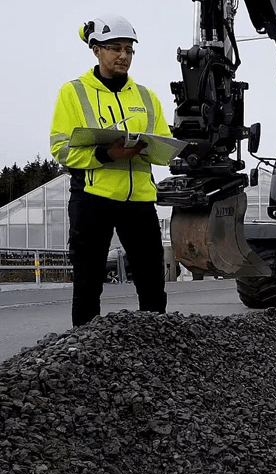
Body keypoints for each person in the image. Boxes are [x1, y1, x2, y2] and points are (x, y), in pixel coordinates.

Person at [50, 15, 172, 327]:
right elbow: (60, 149)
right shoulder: (73, 93)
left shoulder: (146, 97)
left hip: (140, 201)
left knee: (152, 282)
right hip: (93, 199)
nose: (123, 56)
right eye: (115, 48)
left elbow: (165, 145)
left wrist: (164, 151)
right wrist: (106, 154)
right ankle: (84, 351)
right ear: (96, 51)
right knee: (88, 281)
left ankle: (154, 343)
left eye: (129, 50)